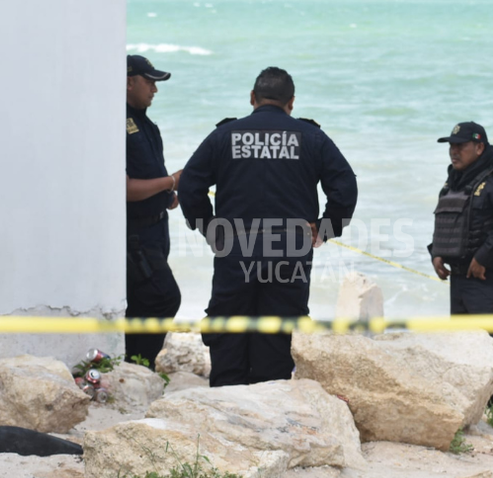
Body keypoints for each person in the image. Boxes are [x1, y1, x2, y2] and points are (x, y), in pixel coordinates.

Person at [178, 67, 358, 387]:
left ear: (252, 98)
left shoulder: (225, 135)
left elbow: (190, 186)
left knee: (229, 325)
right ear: (291, 103)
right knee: (277, 330)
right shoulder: (312, 137)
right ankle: (269, 406)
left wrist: (208, 228)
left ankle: (226, 404)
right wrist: (326, 229)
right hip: (290, 247)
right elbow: (345, 188)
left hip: (236, 246)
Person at [428, 122, 493, 413]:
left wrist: (483, 258)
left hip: (490, 277)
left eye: (461, 146)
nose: (454, 151)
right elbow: (446, 218)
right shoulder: (455, 179)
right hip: (459, 278)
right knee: (462, 347)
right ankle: (469, 411)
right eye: (451, 145)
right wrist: (436, 252)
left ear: (479, 147)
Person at [125, 54, 182, 366]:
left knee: (142, 302)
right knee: (164, 297)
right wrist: (169, 181)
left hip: (157, 228)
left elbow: (152, 178)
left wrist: (168, 192)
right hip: (135, 233)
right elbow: (124, 188)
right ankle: (138, 366)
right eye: (150, 82)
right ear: (128, 81)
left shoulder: (145, 123)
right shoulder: (117, 124)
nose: (154, 90)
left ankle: (132, 366)